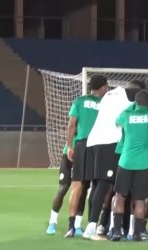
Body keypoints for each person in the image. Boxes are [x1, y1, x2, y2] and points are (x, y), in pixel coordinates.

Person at [82, 79, 145, 239]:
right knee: (104, 185)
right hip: (109, 143)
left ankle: (102, 224)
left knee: (99, 185)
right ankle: (92, 226)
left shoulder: (111, 94)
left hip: (94, 142)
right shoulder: (127, 101)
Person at [64, 74, 108, 238]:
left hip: (81, 144)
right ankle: (92, 225)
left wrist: (69, 146)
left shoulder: (80, 101)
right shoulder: (105, 103)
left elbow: (71, 125)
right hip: (99, 145)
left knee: (77, 186)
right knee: (97, 186)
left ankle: (71, 226)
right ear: (103, 87)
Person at [111, 90, 148, 242]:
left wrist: (132, 106)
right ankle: (139, 233)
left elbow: (116, 121)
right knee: (140, 199)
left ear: (136, 102)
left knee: (120, 196)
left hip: (126, 161)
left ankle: (116, 231)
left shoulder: (127, 116)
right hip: (144, 163)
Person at [45, 142, 87, 236]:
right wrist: (69, 148)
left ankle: (77, 225)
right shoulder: (74, 127)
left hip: (84, 154)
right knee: (63, 188)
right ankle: (52, 222)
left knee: (82, 190)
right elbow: (71, 129)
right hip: (69, 154)